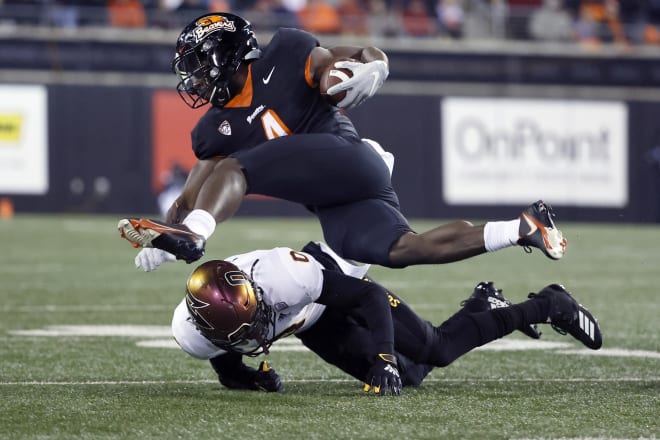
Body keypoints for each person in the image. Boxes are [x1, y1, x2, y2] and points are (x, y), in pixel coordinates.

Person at [117, 12, 566, 270]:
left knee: (239, 168)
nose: (194, 81)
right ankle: (524, 227)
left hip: (347, 161)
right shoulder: (214, 128)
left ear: (227, 53)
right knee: (402, 250)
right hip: (335, 197)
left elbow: (348, 58)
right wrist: (167, 238)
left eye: (199, 65)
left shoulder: (286, 54)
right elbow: (194, 190)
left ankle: (197, 237)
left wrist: (374, 64)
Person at [169, 241, 602, 395]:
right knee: (411, 378)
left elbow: (370, 296)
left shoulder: (287, 278)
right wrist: (244, 377)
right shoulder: (196, 334)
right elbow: (223, 357)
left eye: (258, 312)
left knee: (436, 349)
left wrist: (384, 358)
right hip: (313, 324)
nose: (261, 325)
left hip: (335, 280)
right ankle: (482, 306)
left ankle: (550, 304)